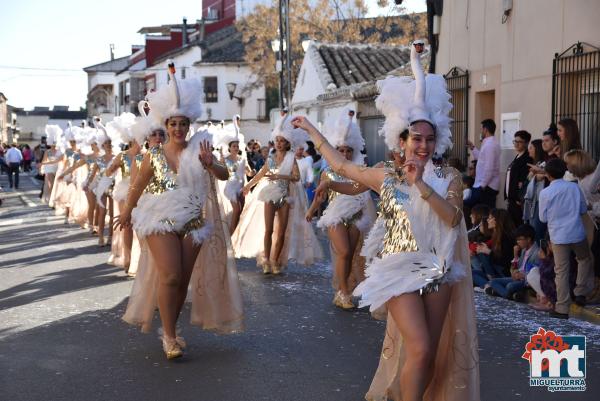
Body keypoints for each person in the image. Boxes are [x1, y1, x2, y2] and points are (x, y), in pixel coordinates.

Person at [292, 40, 479, 401]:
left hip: (438, 269)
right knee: (421, 347)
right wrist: (314, 132)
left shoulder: (449, 177)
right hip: (397, 269)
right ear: (402, 140)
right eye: (415, 139)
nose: (422, 146)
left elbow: (453, 219)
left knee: (431, 356)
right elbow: (344, 167)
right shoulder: (385, 176)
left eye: (428, 139)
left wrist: (421, 184)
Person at [117, 62, 244, 359]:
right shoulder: (154, 155)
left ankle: (170, 331)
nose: (176, 129)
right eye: (172, 124)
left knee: (183, 280)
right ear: (165, 125)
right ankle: (170, 336)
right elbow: (137, 186)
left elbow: (223, 175)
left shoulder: (200, 150)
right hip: (158, 219)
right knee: (171, 276)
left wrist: (210, 163)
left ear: (189, 126)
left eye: (182, 124)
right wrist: (127, 211)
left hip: (193, 221)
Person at [232, 115, 323, 274]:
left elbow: (296, 178)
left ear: (287, 143)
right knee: (268, 230)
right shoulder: (271, 159)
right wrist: (247, 186)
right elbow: (260, 174)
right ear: (274, 141)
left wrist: (279, 176)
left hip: (286, 198)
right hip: (270, 195)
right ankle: (266, 260)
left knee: (281, 232)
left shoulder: (291, 159)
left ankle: (275, 261)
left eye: (282, 141)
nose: (279, 143)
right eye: (277, 140)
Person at [305, 109, 377, 309]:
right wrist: (311, 210)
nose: (345, 153)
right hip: (335, 217)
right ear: (335, 150)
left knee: (351, 254)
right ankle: (344, 293)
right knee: (343, 252)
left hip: (356, 218)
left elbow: (365, 191)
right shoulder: (327, 172)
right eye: (341, 150)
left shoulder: (359, 170)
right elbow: (321, 196)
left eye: (348, 150)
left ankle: (342, 290)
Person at [539, 158, 594, 319]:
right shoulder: (574, 188)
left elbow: (542, 218)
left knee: (561, 270)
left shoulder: (545, 193)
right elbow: (583, 209)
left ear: (547, 174)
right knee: (584, 259)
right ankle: (580, 292)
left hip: (558, 235)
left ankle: (562, 307)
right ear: (564, 171)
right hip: (577, 232)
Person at [214, 116, 255, 234]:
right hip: (231, 188)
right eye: (234, 146)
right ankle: (231, 236)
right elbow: (219, 170)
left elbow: (248, 172)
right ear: (230, 148)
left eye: (237, 146)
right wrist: (220, 159)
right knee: (236, 210)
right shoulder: (225, 159)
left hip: (241, 188)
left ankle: (237, 234)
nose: (236, 148)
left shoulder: (243, 159)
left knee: (241, 211)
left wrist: (253, 173)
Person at [489, 224, 539, 301]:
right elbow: (518, 267)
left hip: (526, 281)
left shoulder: (536, 252)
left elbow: (536, 273)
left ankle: (502, 292)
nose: (517, 242)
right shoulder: (523, 250)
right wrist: (515, 255)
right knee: (493, 281)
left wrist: (522, 275)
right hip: (517, 278)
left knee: (510, 286)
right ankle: (511, 296)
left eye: (520, 239)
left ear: (528, 239)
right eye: (517, 240)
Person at [471, 209, 515, 291]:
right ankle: (488, 286)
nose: (487, 220)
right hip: (494, 271)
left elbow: (505, 262)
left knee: (483, 254)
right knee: (471, 273)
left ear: (497, 221)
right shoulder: (495, 236)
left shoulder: (506, 237)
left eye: (490, 218)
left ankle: (490, 284)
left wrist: (488, 251)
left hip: (503, 272)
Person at [468, 118, 500, 208]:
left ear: (485, 129)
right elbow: (481, 159)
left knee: (483, 213)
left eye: (481, 129)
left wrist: (482, 186)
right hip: (484, 185)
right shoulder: (489, 143)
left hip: (486, 186)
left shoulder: (490, 145)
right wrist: (472, 147)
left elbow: (489, 167)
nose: (481, 131)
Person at [504, 130, 532, 226]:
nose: (516, 144)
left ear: (526, 143)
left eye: (519, 142)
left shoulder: (527, 158)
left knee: (517, 225)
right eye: (515, 141)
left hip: (517, 200)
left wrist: (518, 197)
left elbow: (523, 180)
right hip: (511, 199)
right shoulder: (517, 156)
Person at [523, 138, 547, 242]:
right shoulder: (536, 164)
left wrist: (533, 178)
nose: (529, 150)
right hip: (532, 202)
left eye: (531, 148)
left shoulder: (543, 165)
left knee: (536, 234)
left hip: (537, 203)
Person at [40, 126, 63, 202]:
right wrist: (41, 169)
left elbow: (62, 160)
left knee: (56, 184)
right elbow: (44, 160)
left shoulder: (60, 151)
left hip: (58, 168)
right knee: (50, 184)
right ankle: (51, 199)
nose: (54, 145)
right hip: (49, 168)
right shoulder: (47, 151)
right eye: (52, 144)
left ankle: (55, 198)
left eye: (55, 143)